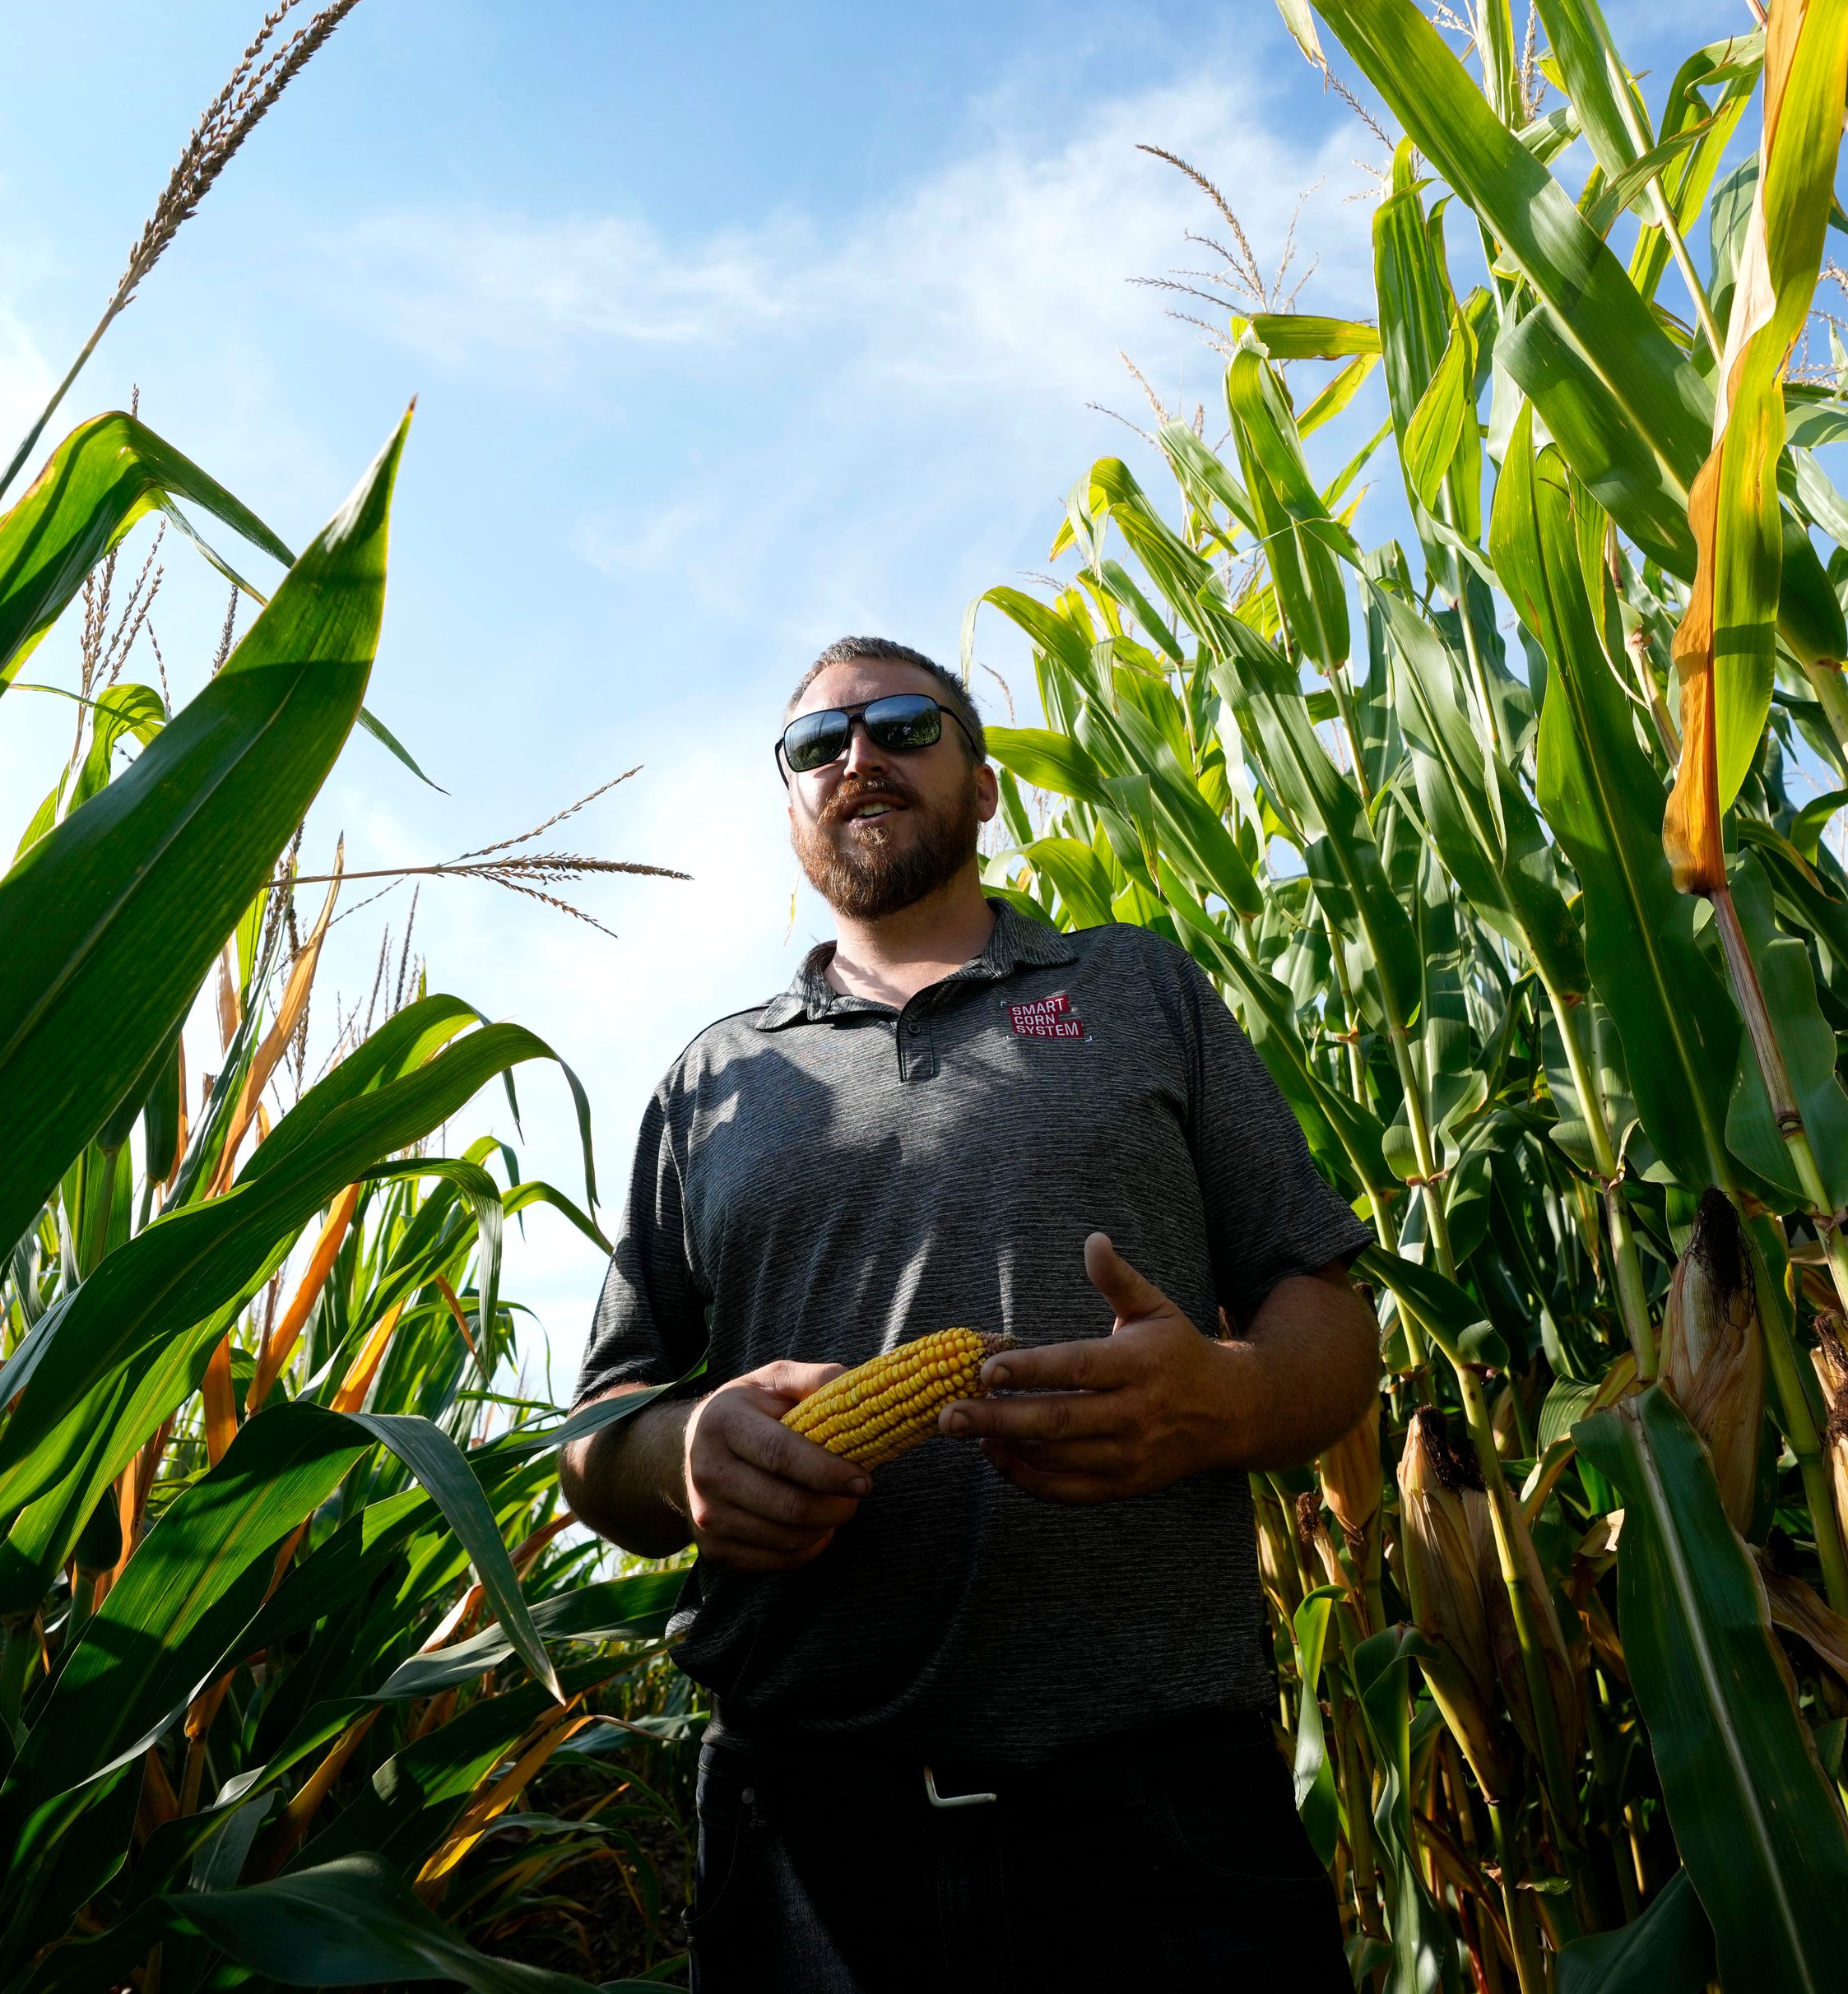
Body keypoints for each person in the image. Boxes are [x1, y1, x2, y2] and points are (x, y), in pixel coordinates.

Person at [560, 636, 1377, 1992]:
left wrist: (1222, 1399)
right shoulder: (716, 1078)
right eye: (818, 747)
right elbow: (602, 1429)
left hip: (1162, 1823)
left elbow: (1327, 1311)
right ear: (791, 810)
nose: (857, 760)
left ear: (985, 783)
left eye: (900, 726)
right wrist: (684, 1451)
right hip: (809, 1845)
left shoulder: (1137, 990)